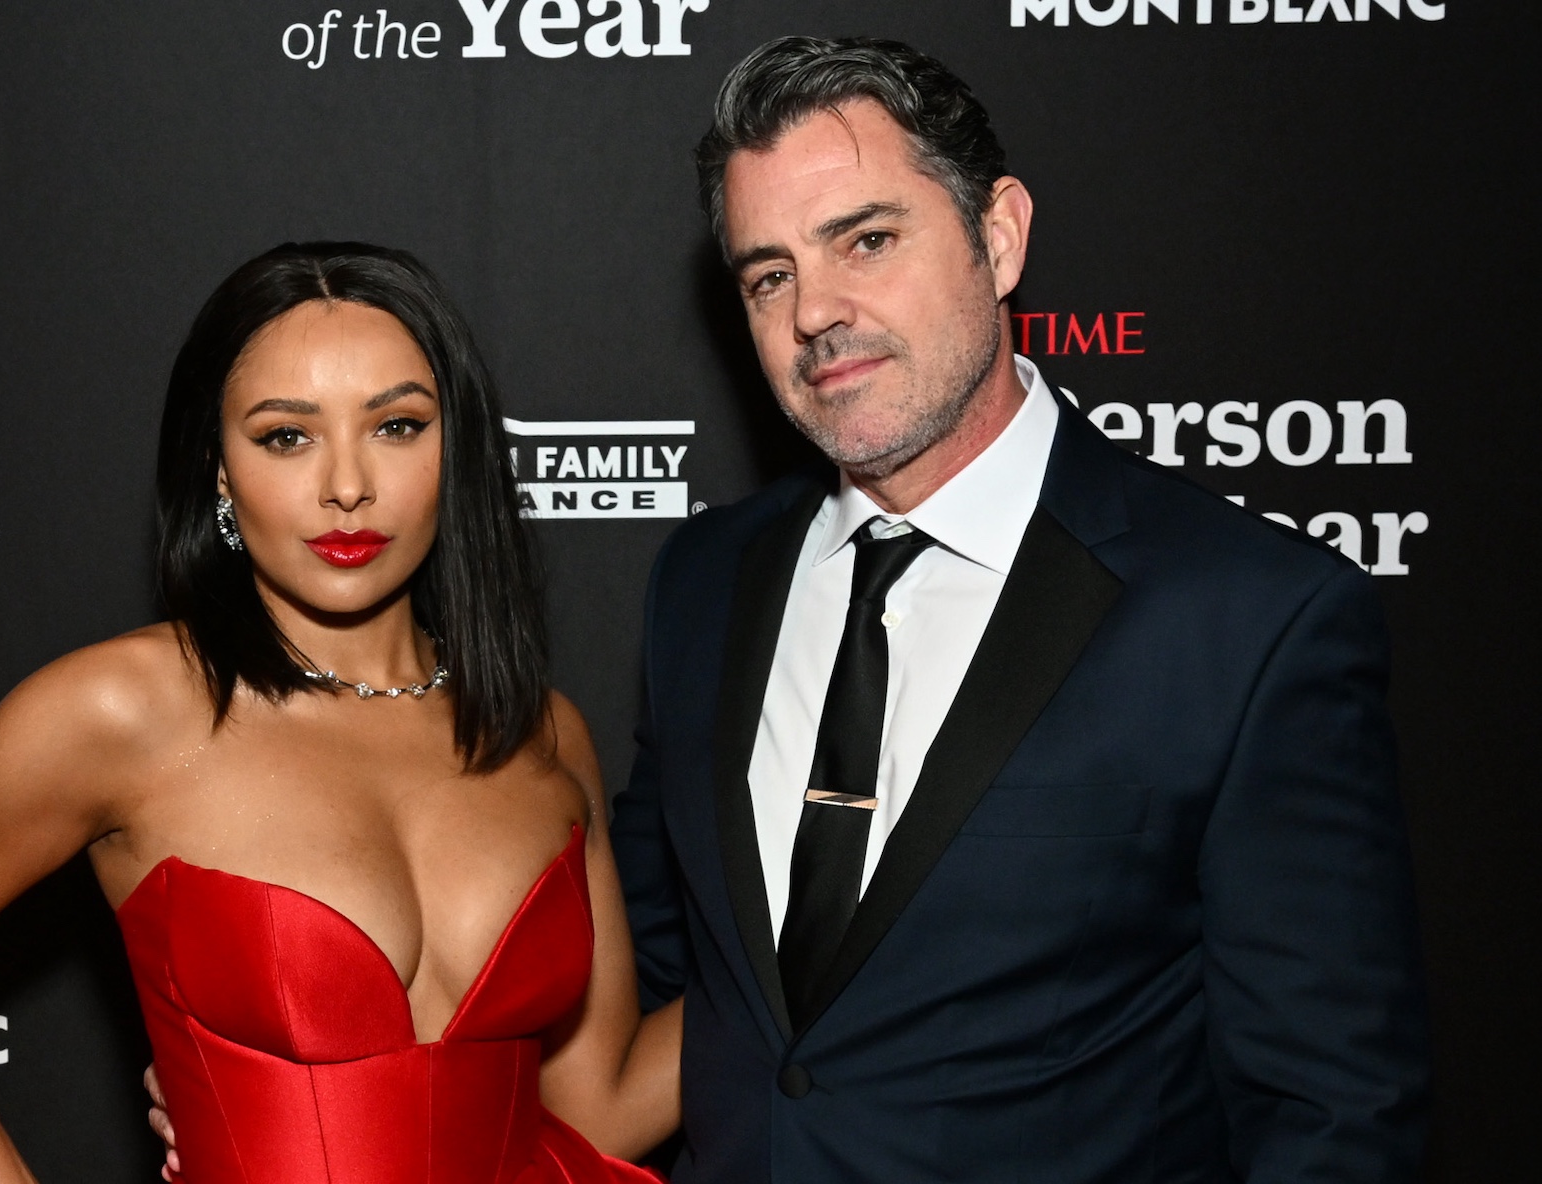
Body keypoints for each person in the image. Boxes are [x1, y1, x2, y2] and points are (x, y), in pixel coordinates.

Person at [606, 36, 1430, 1182]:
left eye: (868, 240)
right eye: (769, 274)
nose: (815, 313)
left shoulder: (1245, 619)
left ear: (998, 237)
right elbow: (658, 983)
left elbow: (1332, 1113)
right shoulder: (703, 583)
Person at [0, 242, 681, 1184]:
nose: (347, 484)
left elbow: (597, 1109)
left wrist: (834, 951)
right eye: (285, 436)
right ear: (218, 470)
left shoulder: (539, 734)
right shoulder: (125, 712)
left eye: (396, 426)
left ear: (454, 451)